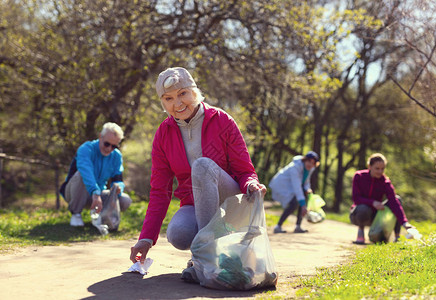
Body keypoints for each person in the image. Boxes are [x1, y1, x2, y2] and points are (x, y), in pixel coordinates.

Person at [129, 67, 266, 283]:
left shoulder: (222, 120)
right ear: (163, 103)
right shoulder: (163, 134)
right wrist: (146, 239)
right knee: (178, 233)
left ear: (194, 91)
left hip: (230, 203)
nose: (178, 103)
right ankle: (213, 254)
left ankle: (203, 259)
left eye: (182, 93)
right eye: (169, 98)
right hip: (195, 204)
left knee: (202, 166)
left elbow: (245, 170)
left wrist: (251, 184)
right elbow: (160, 191)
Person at [59, 122, 132, 227]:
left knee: (125, 200)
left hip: (98, 196)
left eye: (114, 146)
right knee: (81, 175)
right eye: (107, 144)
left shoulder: (116, 156)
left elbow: (118, 179)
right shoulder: (86, 149)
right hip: (74, 192)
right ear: (100, 137)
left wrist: (118, 187)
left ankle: (104, 216)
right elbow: (86, 172)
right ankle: (76, 214)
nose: (109, 149)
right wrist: (95, 192)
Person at [350, 153, 413, 244]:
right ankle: (360, 232)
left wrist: (405, 223)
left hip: (376, 216)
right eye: (377, 168)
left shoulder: (385, 181)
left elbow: (393, 202)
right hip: (358, 214)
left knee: (397, 199)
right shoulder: (359, 176)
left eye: (382, 169)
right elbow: (356, 198)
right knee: (363, 208)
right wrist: (373, 202)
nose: (380, 171)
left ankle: (397, 237)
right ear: (369, 166)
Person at [269, 151, 320, 234]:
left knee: (302, 198)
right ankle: (278, 226)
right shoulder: (295, 167)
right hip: (282, 185)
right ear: (305, 160)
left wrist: (308, 189)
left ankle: (298, 226)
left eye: (313, 163)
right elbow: (297, 186)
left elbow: (306, 181)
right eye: (309, 161)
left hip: (293, 187)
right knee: (294, 204)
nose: (310, 164)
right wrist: (303, 205)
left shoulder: (310, 169)